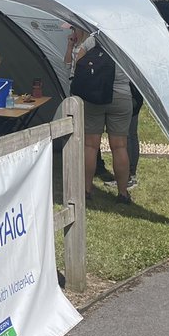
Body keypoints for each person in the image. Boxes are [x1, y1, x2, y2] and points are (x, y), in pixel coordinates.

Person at [65, 26, 133, 203]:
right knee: (119, 146)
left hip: (94, 96)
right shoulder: (127, 42)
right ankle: (123, 193)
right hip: (121, 96)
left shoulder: (95, 38)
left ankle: (86, 190)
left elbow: (78, 60)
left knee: (90, 146)